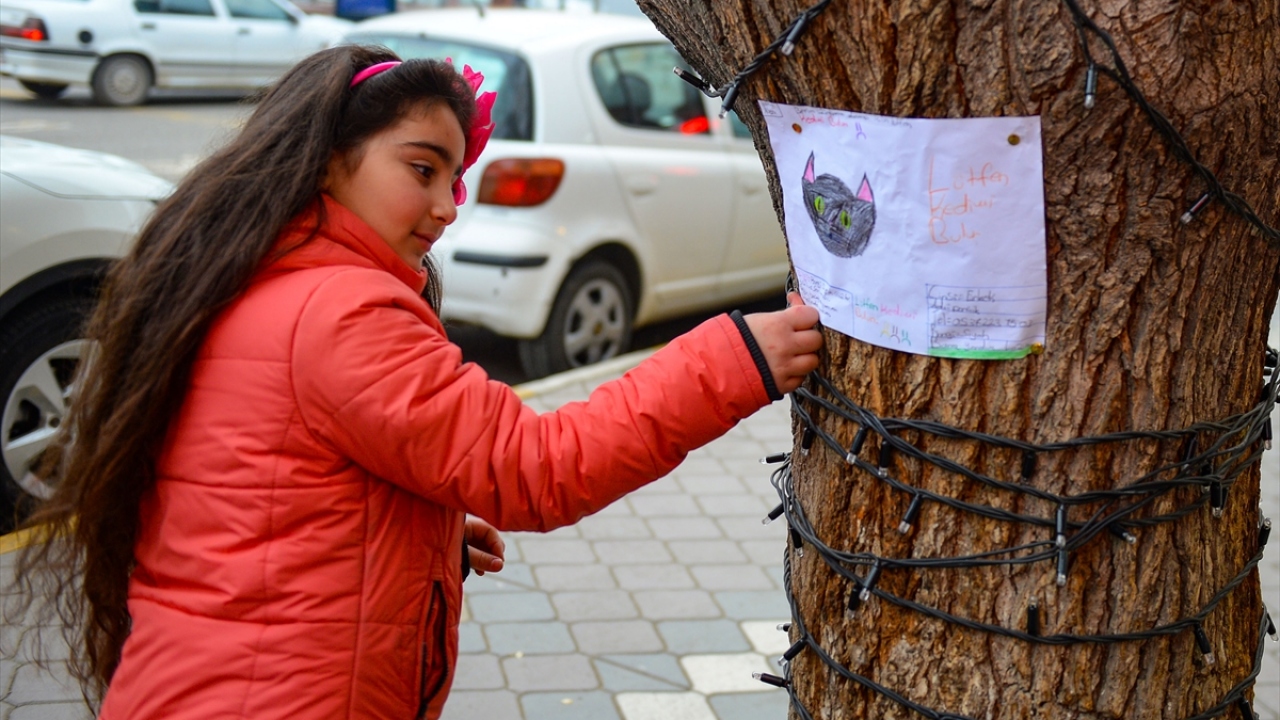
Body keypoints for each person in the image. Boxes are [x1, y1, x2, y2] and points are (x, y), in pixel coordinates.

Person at [11, 45, 822, 719]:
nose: (445, 207)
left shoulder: (259, 274)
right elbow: (536, 467)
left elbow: (250, 490)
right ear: (331, 163)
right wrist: (737, 361)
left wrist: (406, 530)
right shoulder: (341, 310)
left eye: (455, 177)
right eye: (422, 168)